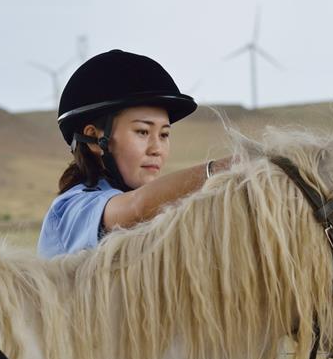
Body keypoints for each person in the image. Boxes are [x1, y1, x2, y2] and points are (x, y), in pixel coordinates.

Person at [37, 49, 232, 259]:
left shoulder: (151, 212)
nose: (156, 148)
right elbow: (136, 207)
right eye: (142, 132)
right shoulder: (72, 208)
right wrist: (226, 169)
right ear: (94, 139)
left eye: (164, 134)